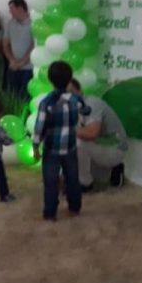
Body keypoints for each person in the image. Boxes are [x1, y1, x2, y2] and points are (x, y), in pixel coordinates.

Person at [32, 61, 90, 221]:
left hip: (51, 149)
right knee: (72, 179)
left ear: (50, 80)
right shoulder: (75, 99)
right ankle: (74, 208)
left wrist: (35, 146)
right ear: (70, 79)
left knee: (50, 182)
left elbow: (39, 127)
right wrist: (80, 99)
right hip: (70, 147)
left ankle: (50, 213)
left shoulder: (46, 103)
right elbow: (87, 110)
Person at [68, 78, 128, 190]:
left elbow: (92, 133)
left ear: (80, 91)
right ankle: (112, 170)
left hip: (115, 147)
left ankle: (84, 184)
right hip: (98, 145)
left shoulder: (91, 104)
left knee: (74, 142)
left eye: (70, 92)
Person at [3, 0, 34, 99]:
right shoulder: (10, 23)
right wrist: (11, 60)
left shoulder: (33, 22)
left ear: (20, 8)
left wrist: (22, 62)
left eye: (12, 8)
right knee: (11, 97)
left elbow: (34, 45)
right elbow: (5, 44)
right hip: (13, 67)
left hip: (29, 68)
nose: (10, 12)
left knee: (25, 97)